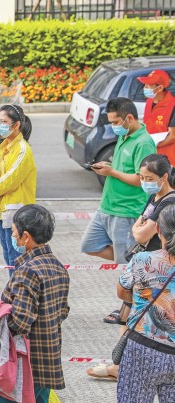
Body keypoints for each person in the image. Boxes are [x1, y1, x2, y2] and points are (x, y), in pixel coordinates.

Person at [87, 153, 175, 381]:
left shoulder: (169, 202)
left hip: (156, 269)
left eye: (149, 177)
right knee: (130, 319)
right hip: (144, 268)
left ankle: (124, 368)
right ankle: (122, 365)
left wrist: (140, 229)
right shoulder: (155, 197)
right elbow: (140, 230)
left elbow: (141, 232)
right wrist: (140, 229)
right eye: (142, 177)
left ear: (164, 176)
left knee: (145, 321)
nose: (144, 182)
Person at [81, 97, 157, 326]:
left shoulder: (143, 142)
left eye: (116, 121)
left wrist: (111, 173)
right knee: (90, 246)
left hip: (126, 209)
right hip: (108, 206)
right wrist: (109, 169)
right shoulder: (124, 135)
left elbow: (140, 179)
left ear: (129, 118)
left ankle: (130, 310)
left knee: (129, 267)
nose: (113, 125)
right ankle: (130, 299)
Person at [0, 204, 70, 403]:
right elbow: (62, 311)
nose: (13, 238)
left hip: (24, 363)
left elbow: (20, 321)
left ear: (26, 237)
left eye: (14, 233)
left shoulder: (27, 271)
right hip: (47, 360)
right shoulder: (58, 267)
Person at [116, 204, 175, 402]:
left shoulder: (142, 259)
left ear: (158, 230)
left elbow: (122, 291)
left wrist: (144, 300)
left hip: (142, 349)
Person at [0, 104, 36, 274]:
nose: (0, 125)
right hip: (2, 212)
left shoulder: (23, 150)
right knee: (9, 258)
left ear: (16, 125)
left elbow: (11, 179)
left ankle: (19, 296)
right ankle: (14, 294)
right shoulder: (4, 146)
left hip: (16, 214)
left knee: (17, 261)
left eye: (4, 121)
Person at [138, 69, 175, 165]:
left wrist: (152, 145)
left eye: (148, 85)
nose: (145, 87)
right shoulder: (149, 101)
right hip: (152, 157)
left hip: (168, 160)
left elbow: (173, 136)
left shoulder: (172, 105)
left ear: (160, 88)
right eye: (144, 84)